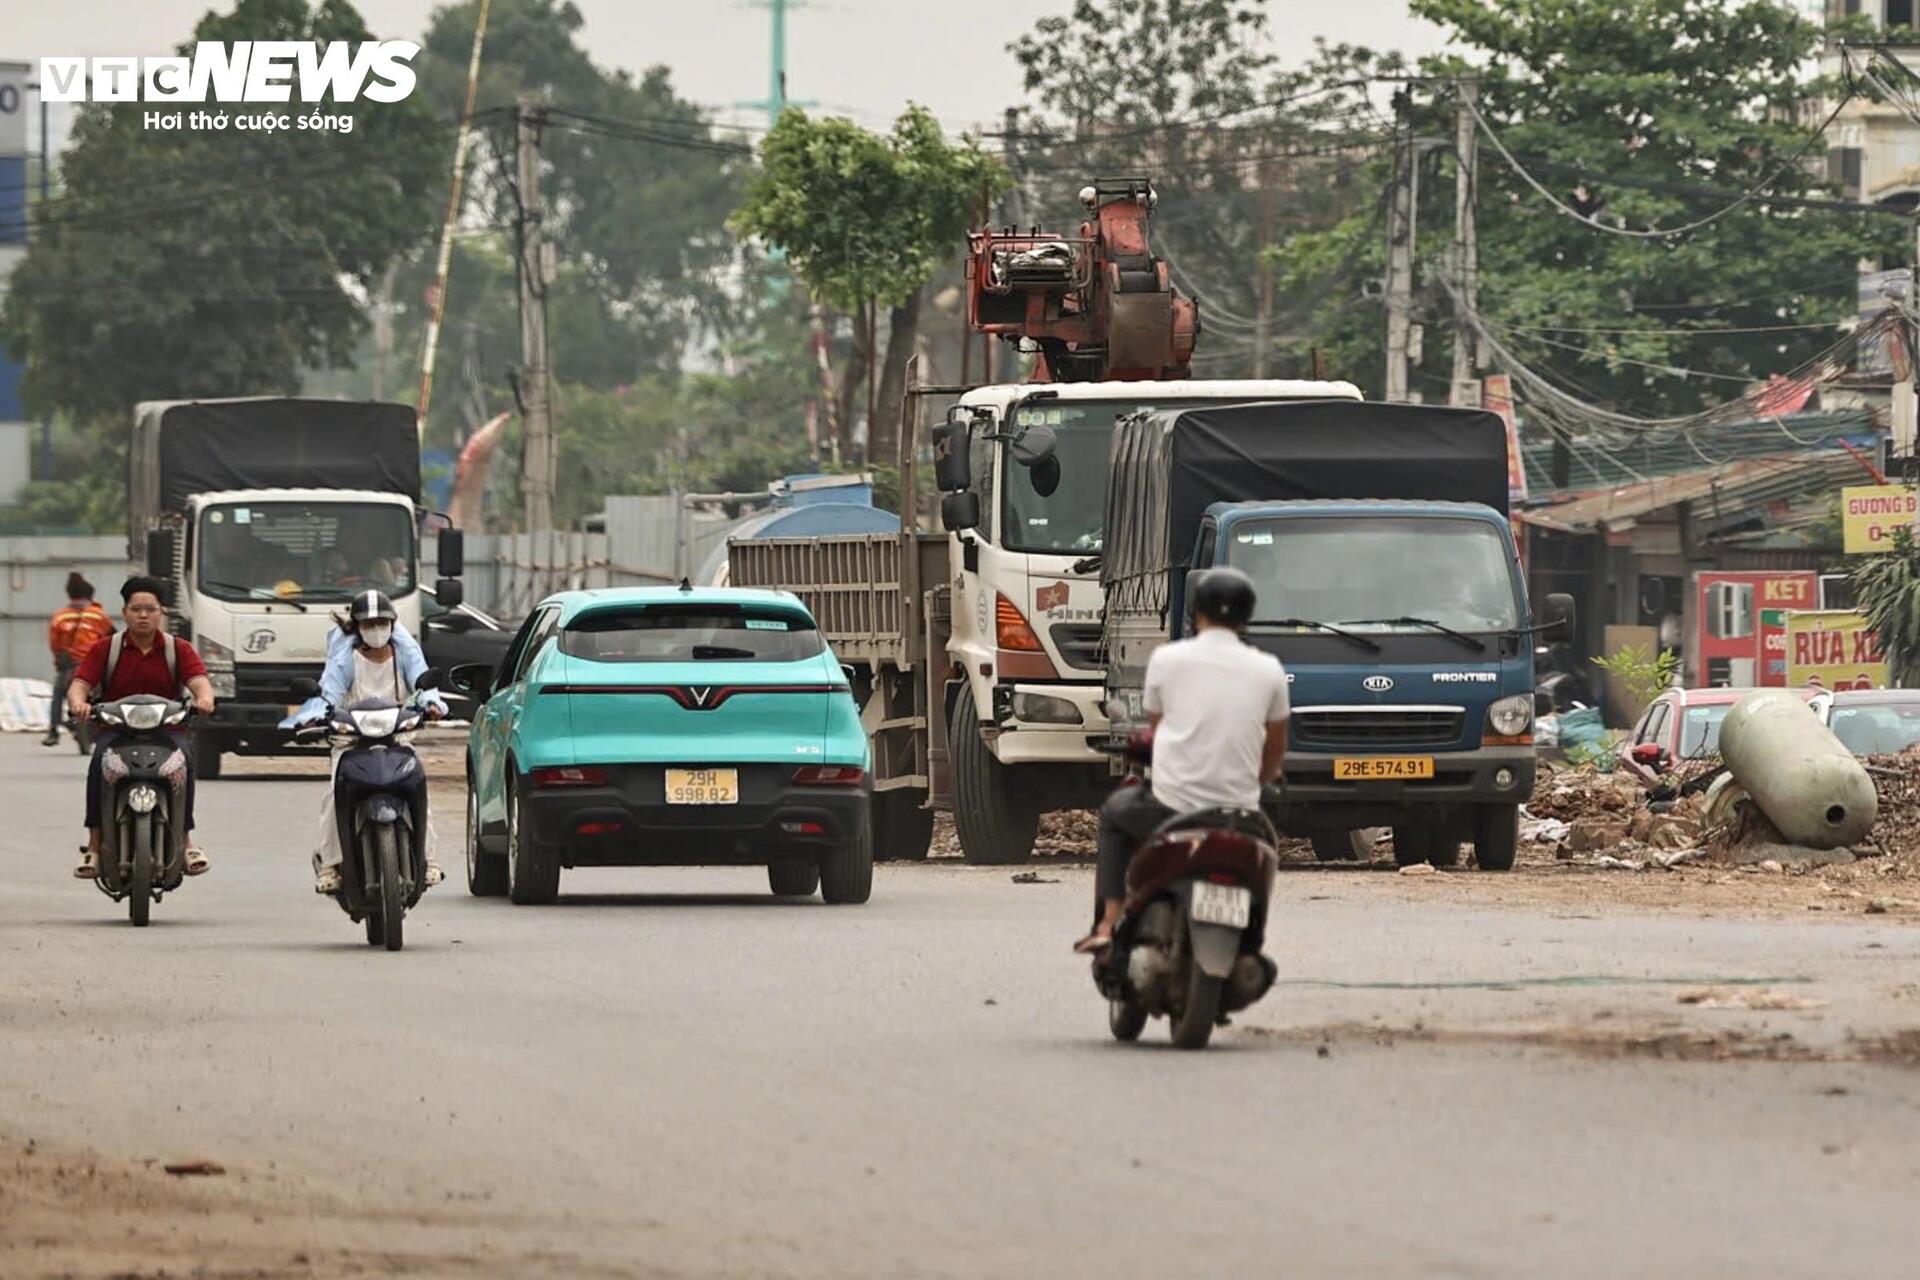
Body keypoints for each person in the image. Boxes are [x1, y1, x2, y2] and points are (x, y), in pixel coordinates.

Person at [1074, 567, 1290, 954]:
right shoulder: (1270, 670)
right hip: (1237, 811)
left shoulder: (1167, 660)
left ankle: (1108, 921)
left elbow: (1161, 729)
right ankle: (1251, 939)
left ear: (1197, 612)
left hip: (1171, 807)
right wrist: (1255, 782)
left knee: (1113, 815)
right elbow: (1275, 748)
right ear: (1246, 617)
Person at [66, 576, 217, 880]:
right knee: (98, 765)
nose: (144, 615)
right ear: (124, 613)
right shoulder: (105, 649)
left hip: (168, 731)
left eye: (150, 609)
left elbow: (200, 682)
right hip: (116, 731)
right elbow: (79, 685)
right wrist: (79, 703)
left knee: (184, 765)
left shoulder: (179, 649)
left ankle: (186, 842)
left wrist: (204, 699)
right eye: (137, 609)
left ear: (162, 612)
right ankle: (94, 846)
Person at [296, 591, 446, 894]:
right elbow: (329, 693)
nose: (376, 629)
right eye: (369, 623)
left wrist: (431, 706)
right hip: (351, 742)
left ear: (392, 624)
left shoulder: (403, 654)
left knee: (420, 791)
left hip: (397, 739)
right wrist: (316, 715)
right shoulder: (346, 659)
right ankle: (331, 865)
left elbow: (422, 684)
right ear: (357, 627)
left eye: (382, 622)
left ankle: (429, 859)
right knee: (332, 796)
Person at [44, 573, 114, 748]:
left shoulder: (60, 616)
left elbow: (54, 643)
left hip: (69, 664)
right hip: (93, 664)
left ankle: (53, 731)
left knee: (58, 694)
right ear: (90, 595)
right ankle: (110, 726)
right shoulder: (98, 615)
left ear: (69, 594)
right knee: (108, 694)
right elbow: (112, 637)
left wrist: (58, 662)